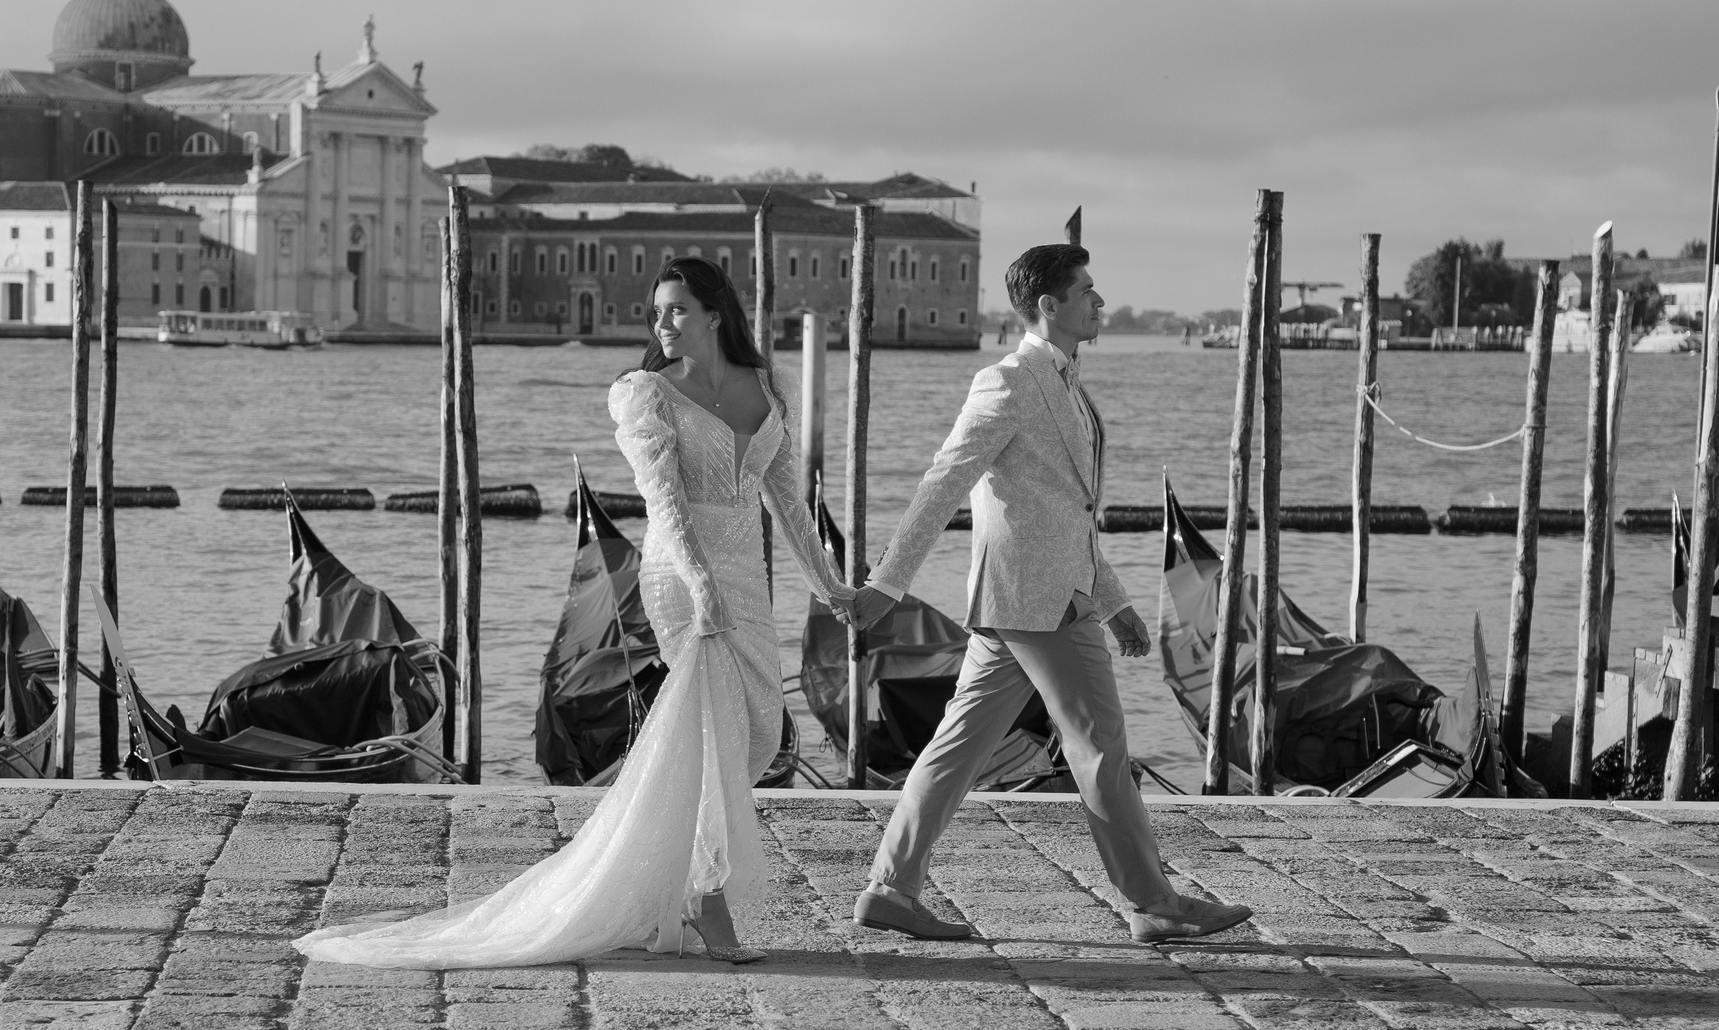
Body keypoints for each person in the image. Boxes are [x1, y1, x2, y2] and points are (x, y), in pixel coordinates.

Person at [297, 256, 851, 969]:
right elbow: (666, 506)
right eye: (656, 312)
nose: (662, 324)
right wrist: (701, 583)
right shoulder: (646, 394)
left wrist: (829, 583)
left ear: (716, 313)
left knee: (759, 734)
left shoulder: (769, 388)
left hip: (747, 578)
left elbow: (788, 502)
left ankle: (674, 880)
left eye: (677, 309)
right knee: (713, 732)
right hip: (682, 579)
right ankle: (706, 899)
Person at [848, 242, 1253, 946]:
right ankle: (1152, 900)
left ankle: (890, 888)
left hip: (1032, 597)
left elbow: (1068, 512)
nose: (1099, 302)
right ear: (1049, 306)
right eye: (1087, 292)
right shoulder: (1006, 382)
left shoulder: (1068, 382)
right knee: (1099, 743)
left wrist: (1117, 598)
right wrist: (888, 581)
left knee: (956, 746)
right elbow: (942, 482)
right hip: (1037, 602)